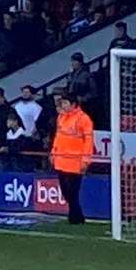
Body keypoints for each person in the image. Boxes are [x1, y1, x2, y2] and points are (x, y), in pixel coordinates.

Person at [50, 94, 94, 225]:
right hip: (61, 159)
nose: (63, 106)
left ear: (73, 104)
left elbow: (88, 141)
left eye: (65, 103)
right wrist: (53, 152)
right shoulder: (61, 117)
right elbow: (58, 137)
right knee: (65, 190)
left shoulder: (83, 119)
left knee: (73, 191)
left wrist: (86, 160)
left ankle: (75, 217)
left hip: (75, 161)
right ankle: (77, 215)